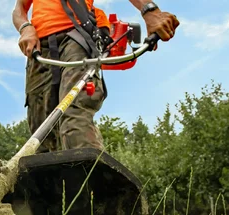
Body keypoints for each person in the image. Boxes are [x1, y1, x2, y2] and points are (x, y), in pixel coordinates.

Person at [12, 0, 179, 153]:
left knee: (74, 115)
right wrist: (25, 28)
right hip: (39, 49)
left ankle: (91, 179)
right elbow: (19, 10)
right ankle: (48, 184)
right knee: (41, 132)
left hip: (75, 37)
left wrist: (150, 10)